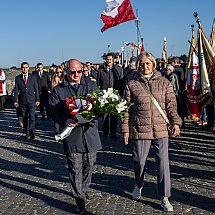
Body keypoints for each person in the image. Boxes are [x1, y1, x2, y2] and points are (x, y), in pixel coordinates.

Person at [121, 52, 182, 212]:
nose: (144, 66)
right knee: (139, 161)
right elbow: (125, 110)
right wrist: (125, 130)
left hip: (161, 129)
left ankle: (164, 196)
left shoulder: (164, 83)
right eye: (142, 64)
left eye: (147, 63)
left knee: (163, 163)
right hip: (140, 128)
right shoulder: (131, 84)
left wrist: (176, 122)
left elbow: (171, 106)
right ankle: (138, 184)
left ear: (153, 65)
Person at [51, 59, 102, 214]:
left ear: (83, 70)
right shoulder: (58, 90)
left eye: (79, 71)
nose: (76, 75)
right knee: (75, 168)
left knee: (90, 164)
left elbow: (99, 106)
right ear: (67, 71)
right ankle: (79, 199)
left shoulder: (91, 85)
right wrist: (64, 120)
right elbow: (53, 111)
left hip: (89, 133)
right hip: (72, 135)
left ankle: (84, 187)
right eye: (72, 72)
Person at [97, 52, 124, 138]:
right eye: (107, 59)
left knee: (114, 115)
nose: (109, 61)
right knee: (105, 116)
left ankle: (113, 133)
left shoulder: (118, 69)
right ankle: (105, 132)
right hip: (105, 96)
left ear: (113, 60)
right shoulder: (101, 71)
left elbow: (122, 82)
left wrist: (120, 94)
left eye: (110, 60)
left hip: (115, 95)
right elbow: (98, 84)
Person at [14, 62, 40, 140]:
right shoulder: (18, 78)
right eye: (23, 67)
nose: (24, 69)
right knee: (24, 118)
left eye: (26, 67)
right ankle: (27, 133)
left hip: (32, 100)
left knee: (32, 118)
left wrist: (37, 99)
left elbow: (36, 89)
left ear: (28, 68)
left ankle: (32, 134)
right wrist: (16, 100)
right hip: (23, 101)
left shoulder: (33, 77)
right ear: (21, 68)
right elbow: (16, 90)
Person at [51, 66, 64, 134]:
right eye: (58, 72)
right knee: (57, 115)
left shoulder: (64, 79)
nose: (59, 73)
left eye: (60, 72)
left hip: (63, 98)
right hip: (56, 99)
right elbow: (53, 88)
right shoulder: (54, 79)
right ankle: (57, 131)